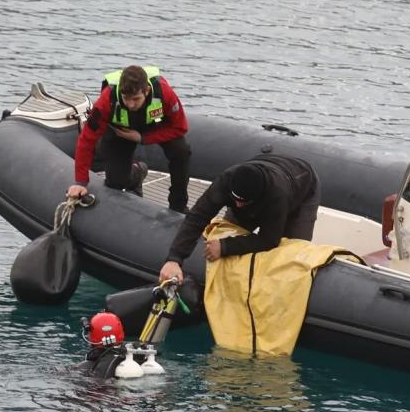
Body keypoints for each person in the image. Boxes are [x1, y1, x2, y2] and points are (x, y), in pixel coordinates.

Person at [159, 154, 321, 282]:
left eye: (243, 202)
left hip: (303, 187)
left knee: (290, 251)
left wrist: (225, 246)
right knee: (230, 227)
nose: (238, 205)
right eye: (235, 200)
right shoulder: (227, 180)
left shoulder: (277, 196)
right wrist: (174, 258)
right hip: (266, 173)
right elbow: (198, 216)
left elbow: (269, 240)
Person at [66, 65, 191, 213]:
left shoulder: (164, 93)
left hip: (153, 126)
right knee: (115, 182)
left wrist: (143, 138)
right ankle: (137, 173)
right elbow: (87, 138)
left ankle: (178, 205)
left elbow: (180, 127)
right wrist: (81, 182)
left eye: (136, 99)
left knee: (181, 151)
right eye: (126, 99)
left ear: (147, 91)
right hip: (121, 131)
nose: (131, 104)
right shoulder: (107, 100)